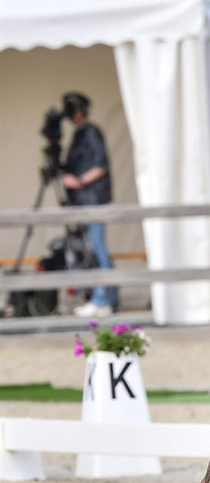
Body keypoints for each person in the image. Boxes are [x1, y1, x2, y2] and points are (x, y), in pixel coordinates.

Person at [61, 92, 117, 317]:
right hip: (84, 200)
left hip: (93, 199)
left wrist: (79, 181)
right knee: (93, 247)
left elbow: (100, 165)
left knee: (96, 248)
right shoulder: (79, 134)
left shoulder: (91, 132)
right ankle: (107, 297)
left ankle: (102, 300)